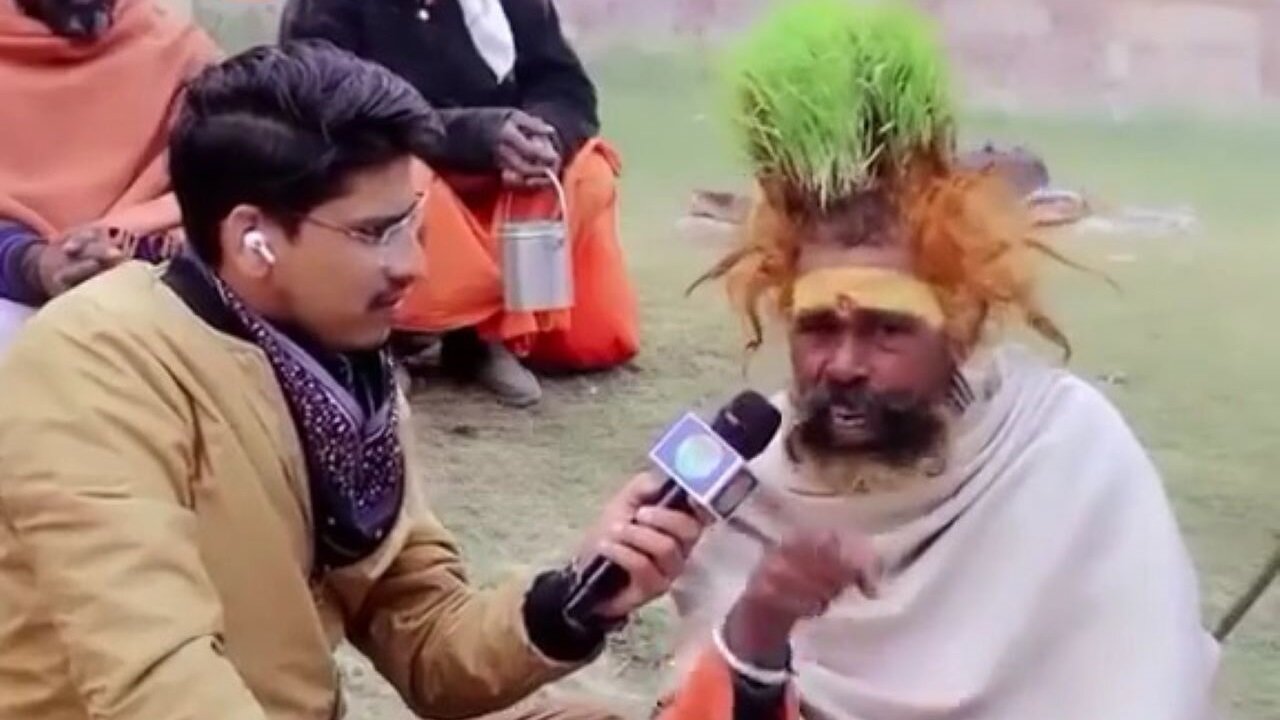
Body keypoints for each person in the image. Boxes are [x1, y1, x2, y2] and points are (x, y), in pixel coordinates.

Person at [0, 42, 702, 720]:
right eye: (377, 233)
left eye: (411, 225)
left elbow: (429, 640)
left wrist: (580, 595)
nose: (413, 267)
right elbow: (156, 684)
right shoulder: (95, 365)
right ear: (254, 238)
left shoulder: (344, 369)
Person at [654, 2, 1219, 718]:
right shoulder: (747, 487)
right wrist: (760, 621)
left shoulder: (1068, 455)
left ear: (958, 325)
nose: (845, 365)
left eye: (888, 330)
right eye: (818, 328)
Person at [279, 0, 640, 407]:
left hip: (498, 171)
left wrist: (543, 137)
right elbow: (328, 103)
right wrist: (477, 135)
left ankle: (483, 334)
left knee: (588, 174)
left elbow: (563, 85)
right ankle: (383, 339)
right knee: (397, 178)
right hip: (405, 162)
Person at [0, 0, 219, 352]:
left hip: (161, 299)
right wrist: (33, 263)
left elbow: (225, 183)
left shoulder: (176, 50)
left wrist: (134, 255)